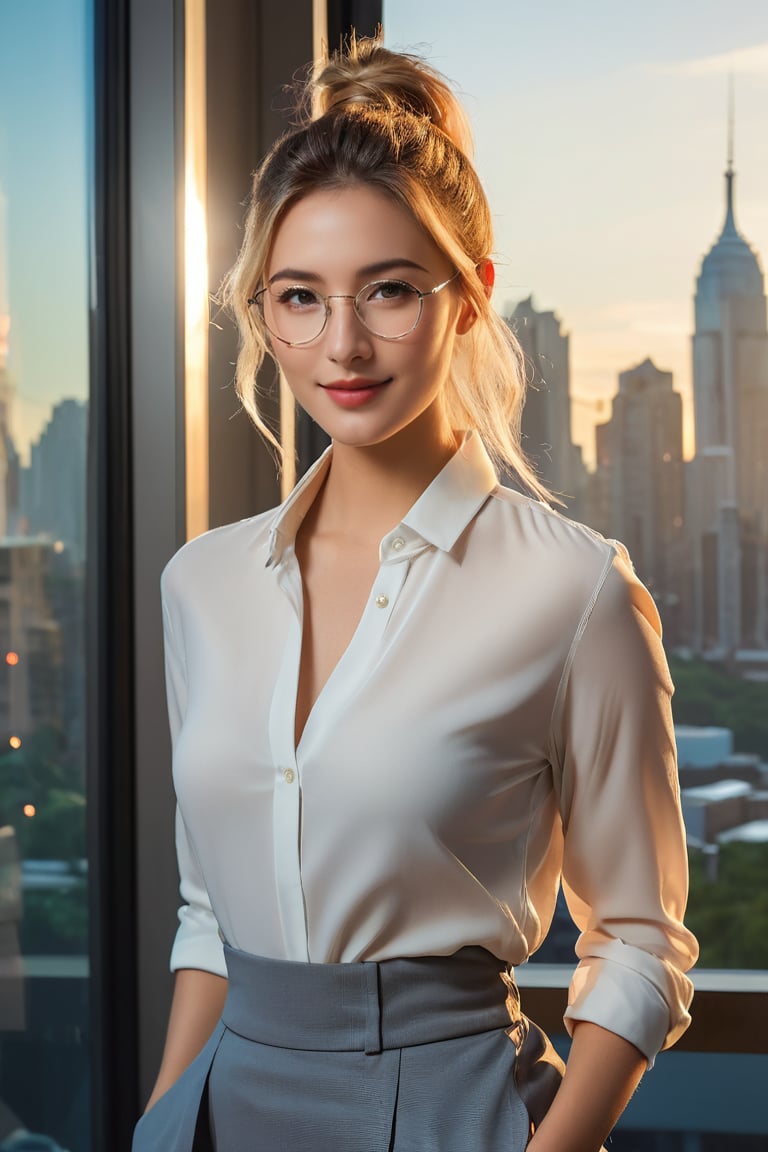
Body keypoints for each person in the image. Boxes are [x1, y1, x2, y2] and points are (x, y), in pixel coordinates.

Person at [133, 34, 698, 1152]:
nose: (342, 343)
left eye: (390, 290)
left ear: (471, 297)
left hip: (451, 1114)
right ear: (264, 317)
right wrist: (158, 1120)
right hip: (218, 1109)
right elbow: (210, 913)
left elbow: (640, 939)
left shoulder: (573, 588)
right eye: (300, 298)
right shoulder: (201, 585)